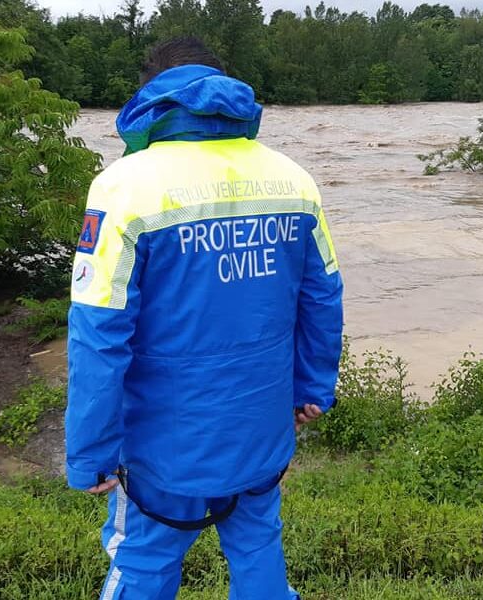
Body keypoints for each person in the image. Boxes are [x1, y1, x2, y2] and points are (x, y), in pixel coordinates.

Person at [64, 37, 343, 600]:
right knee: (259, 548)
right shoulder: (293, 179)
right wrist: (313, 388)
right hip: (260, 427)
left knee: (142, 560)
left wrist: (90, 451)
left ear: (152, 93)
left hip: (165, 445)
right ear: (226, 90)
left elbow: (99, 335)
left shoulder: (124, 186)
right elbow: (323, 298)